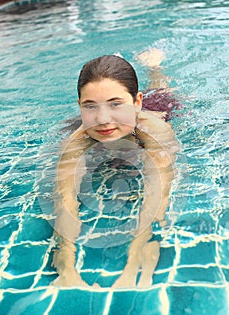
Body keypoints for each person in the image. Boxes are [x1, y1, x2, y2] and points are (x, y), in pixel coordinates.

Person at [51, 48, 180, 289]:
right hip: (111, 140)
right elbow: (64, 202)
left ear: (136, 102)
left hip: (148, 117)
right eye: (90, 106)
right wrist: (66, 267)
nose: (102, 119)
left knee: (162, 90)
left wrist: (134, 263)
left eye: (115, 104)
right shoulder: (74, 141)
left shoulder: (156, 132)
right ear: (79, 105)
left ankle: (155, 67)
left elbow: (158, 196)